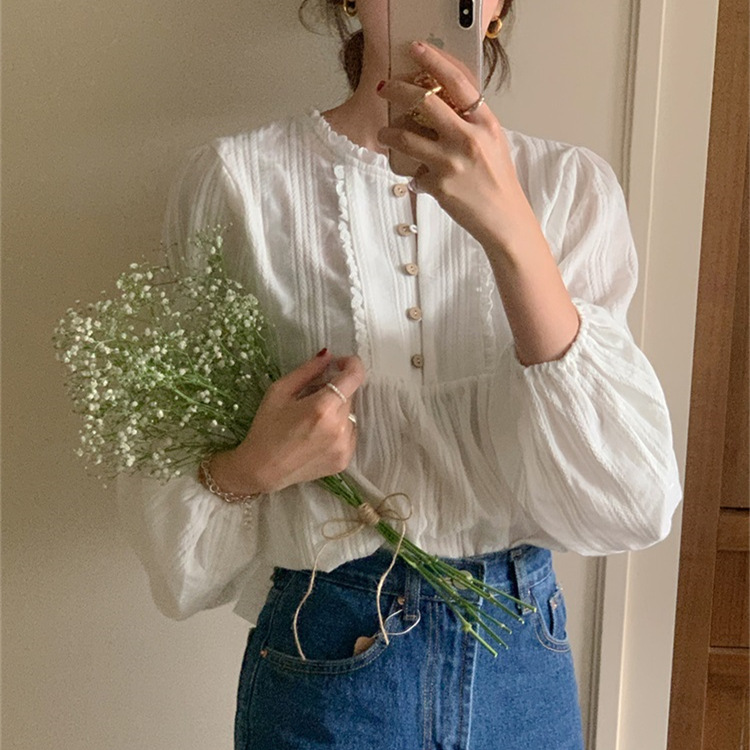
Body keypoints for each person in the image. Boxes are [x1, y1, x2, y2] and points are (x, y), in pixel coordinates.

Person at [115, 0, 683, 747]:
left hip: (519, 654)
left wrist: (511, 225)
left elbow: (632, 503)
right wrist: (253, 467)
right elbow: (174, 524)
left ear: (497, 10)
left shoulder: (571, 188)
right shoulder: (237, 182)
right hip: (325, 649)